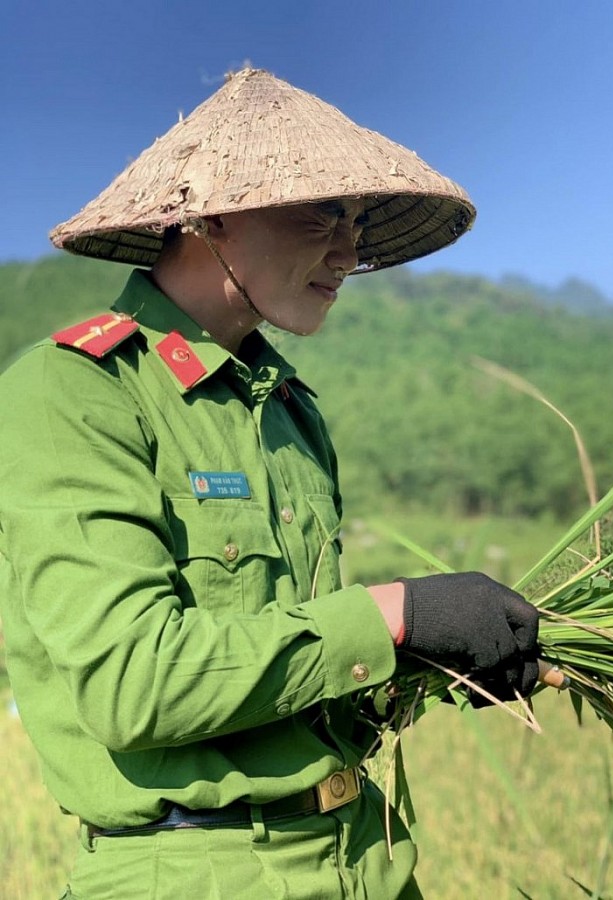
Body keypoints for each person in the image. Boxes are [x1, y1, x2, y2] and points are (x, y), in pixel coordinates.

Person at [0, 68, 539, 899]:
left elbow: (298, 681)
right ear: (211, 213)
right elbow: (132, 684)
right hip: (192, 872)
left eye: (357, 221)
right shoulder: (74, 393)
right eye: (321, 212)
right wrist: (396, 613)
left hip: (367, 857)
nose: (350, 251)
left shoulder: (290, 411)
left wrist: (435, 659)